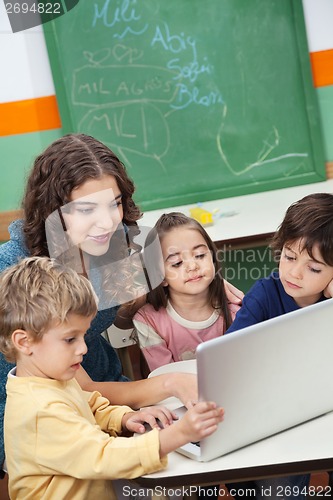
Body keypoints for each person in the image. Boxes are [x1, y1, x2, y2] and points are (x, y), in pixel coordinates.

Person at [0, 133, 242, 482]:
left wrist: (204, 286)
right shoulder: (19, 273)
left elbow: (114, 309)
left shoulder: (108, 244)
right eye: (86, 209)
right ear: (53, 210)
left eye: (114, 203)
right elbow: (76, 388)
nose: (108, 221)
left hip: (107, 400)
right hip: (51, 418)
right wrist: (171, 383)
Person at [0, 256, 224, 499]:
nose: (83, 349)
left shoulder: (51, 379)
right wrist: (178, 435)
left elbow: (88, 405)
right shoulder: (39, 411)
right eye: (70, 339)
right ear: (24, 342)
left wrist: (124, 417)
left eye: (83, 336)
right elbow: (104, 456)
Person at [225, 192, 333, 499]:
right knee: (275, 489)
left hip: (321, 409)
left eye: (314, 269)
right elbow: (230, 357)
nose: (295, 273)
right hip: (273, 415)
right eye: (289, 257)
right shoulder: (265, 294)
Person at [133, 212, 240, 372]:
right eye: (177, 263)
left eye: (200, 255)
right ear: (160, 276)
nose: (192, 266)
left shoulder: (236, 309)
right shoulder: (148, 321)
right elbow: (165, 379)